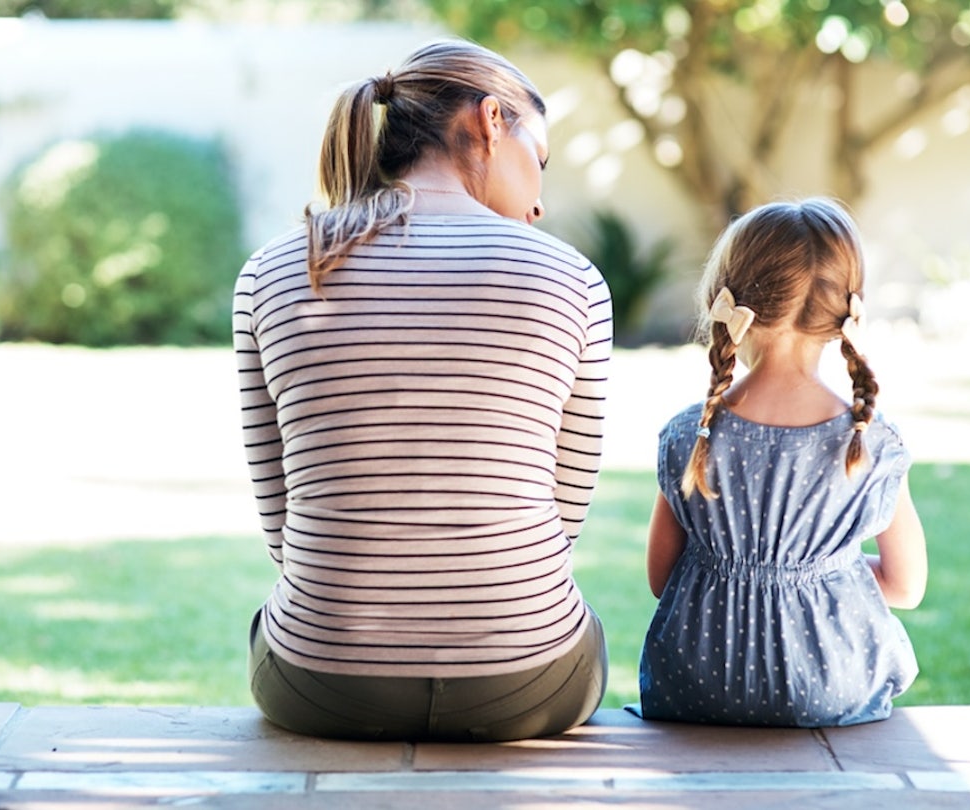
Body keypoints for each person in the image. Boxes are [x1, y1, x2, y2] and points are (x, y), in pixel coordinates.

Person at [231, 39, 613, 742]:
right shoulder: (572, 280)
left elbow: (281, 519)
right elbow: (561, 519)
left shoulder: (274, 271)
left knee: (273, 622)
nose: (539, 200)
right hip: (526, 683)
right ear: (492, 121)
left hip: (322, 683)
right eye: (541, 160)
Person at [634, 197, 927, 728]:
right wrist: (820, 569)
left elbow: (661, 577)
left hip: (697, 687)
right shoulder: (871, 442)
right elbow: (906, 587)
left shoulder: (687, 435)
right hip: (831, 688)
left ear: (729, 301)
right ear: (845, 314)